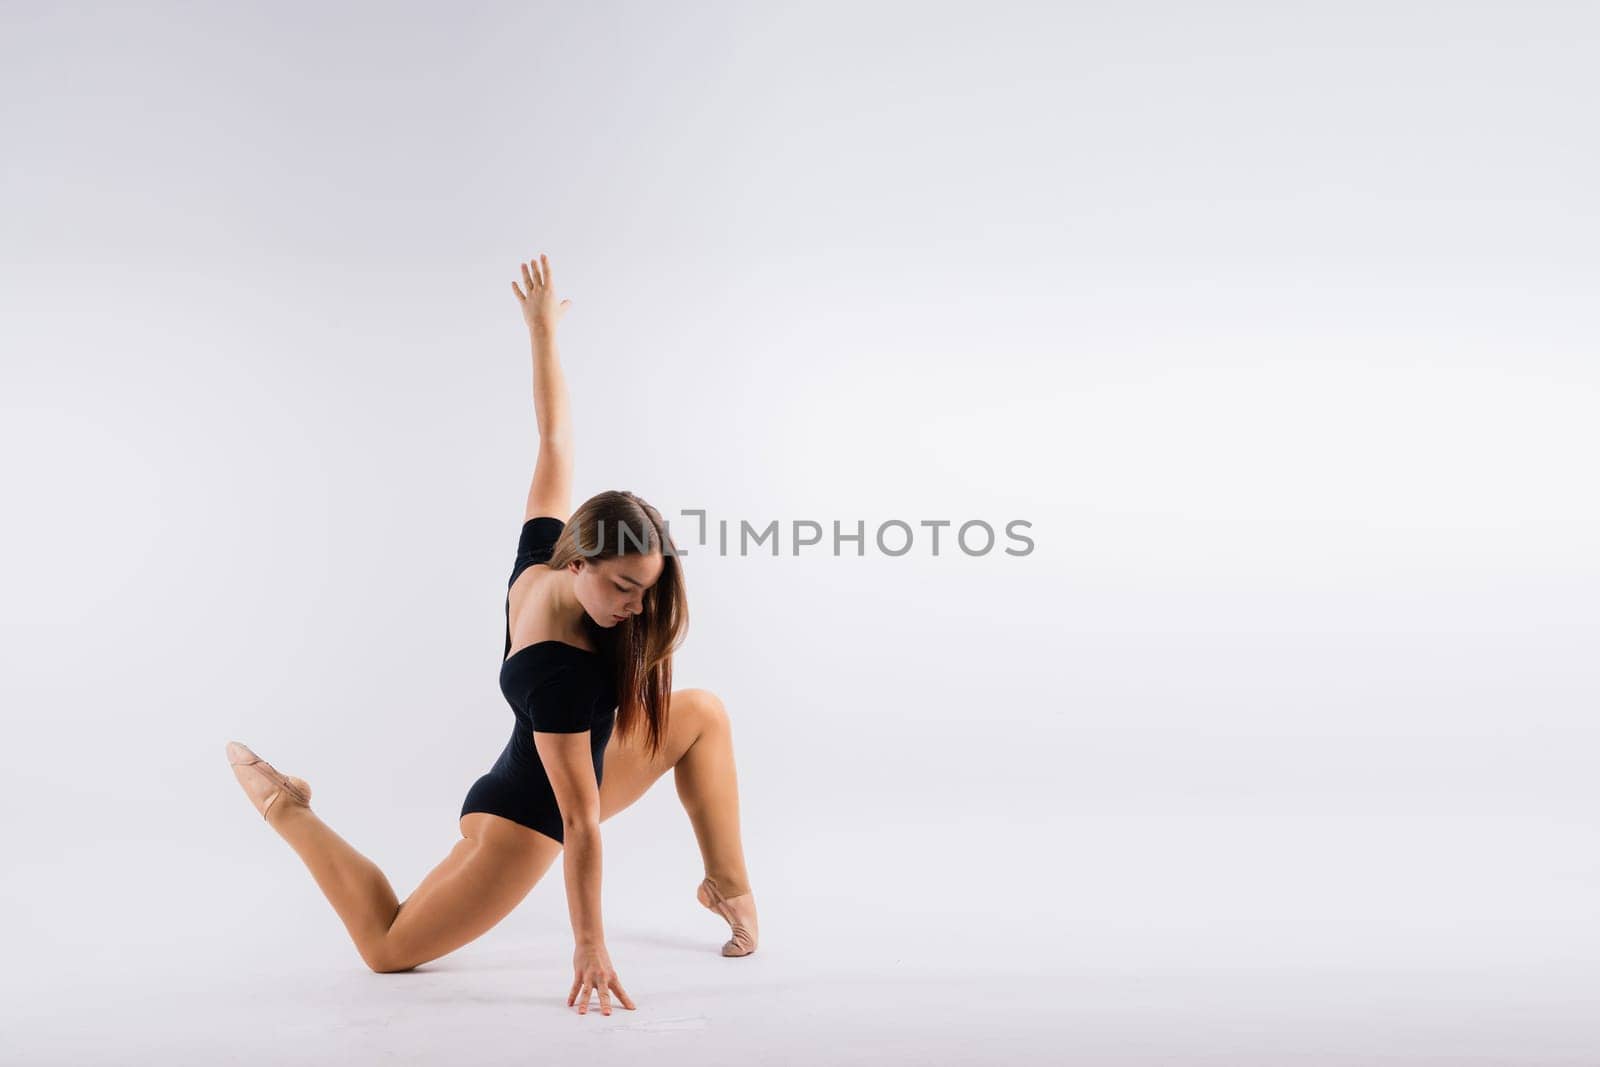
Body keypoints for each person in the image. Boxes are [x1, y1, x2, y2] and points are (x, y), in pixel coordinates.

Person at [225, 252, 759, 1017]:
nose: (636, 609)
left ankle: (729, 888)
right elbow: (579, 821)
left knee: (702, 713)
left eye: (647, 590)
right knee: (385, 946)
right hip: (525, 818)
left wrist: (542, 332)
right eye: (623, 588)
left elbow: (555, 440)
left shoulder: (540, 561)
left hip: (553, 766)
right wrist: (588, 942)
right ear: (582, 562)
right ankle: (288, 807)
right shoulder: (561, 671)